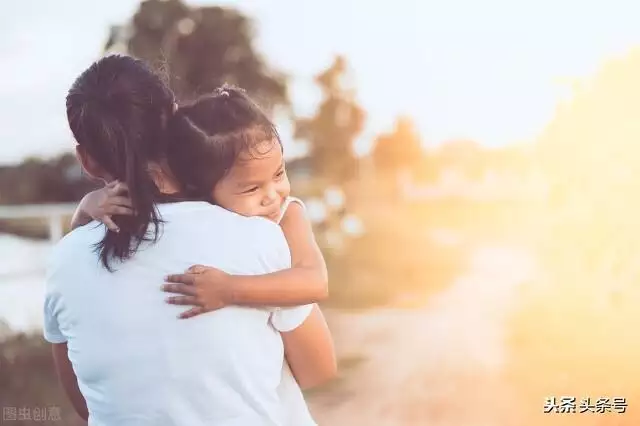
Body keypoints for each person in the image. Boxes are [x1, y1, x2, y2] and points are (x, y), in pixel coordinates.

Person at [44, 54, 335, 426]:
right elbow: (317, 370)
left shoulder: (65, 259)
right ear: (176, 117)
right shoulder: (256, 235)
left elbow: (86, 405)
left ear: (87, 160)